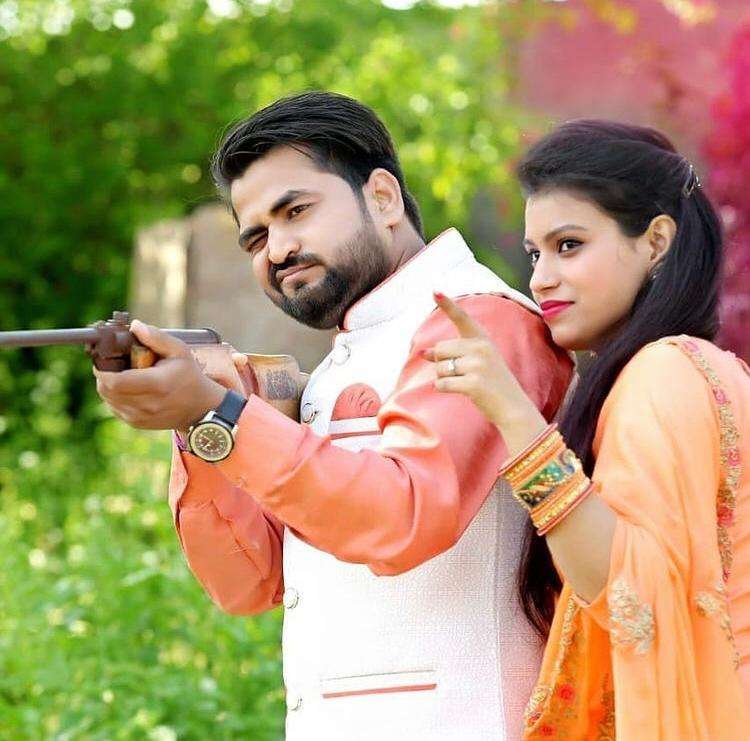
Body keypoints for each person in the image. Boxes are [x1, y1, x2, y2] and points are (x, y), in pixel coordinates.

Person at [94, 91, 573, 740]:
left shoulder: (478, 320)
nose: (277, 249)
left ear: (383, 197)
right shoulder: (344, 359)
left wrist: (223, 414)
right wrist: (198, 423)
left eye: (296, 211)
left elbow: (402, 516)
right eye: (256, 237)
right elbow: (246, 584)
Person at [426, 119, 750, 738]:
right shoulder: (715, 368)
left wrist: (514, 414)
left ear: (656, 242)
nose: (540, 277)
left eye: (569, 245)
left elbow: (628, 594)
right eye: (535, 253)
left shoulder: (661, 372)